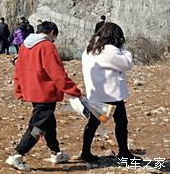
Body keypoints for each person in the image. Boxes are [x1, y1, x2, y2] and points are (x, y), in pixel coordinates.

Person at [7, 21, 82, 171]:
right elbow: (56, 72)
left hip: (31, 90)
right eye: (54, 37)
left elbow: (18, 69)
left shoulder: (25, 45)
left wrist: (19, 89)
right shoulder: (46, 46)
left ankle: (56, 152)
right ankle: (17, 154)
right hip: (44, 92)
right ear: (52, 32)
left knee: (48, 122)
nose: (54, 40)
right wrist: (74, 90)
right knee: (38, 126)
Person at [80, 22, 136, 163]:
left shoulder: (90, 49)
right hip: (112, 94)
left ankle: (85, 152)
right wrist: (124, 50)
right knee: (121, 122)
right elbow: (127, 63)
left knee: (93, 123)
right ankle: (123, 152)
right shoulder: (110, 50)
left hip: (96, 93)